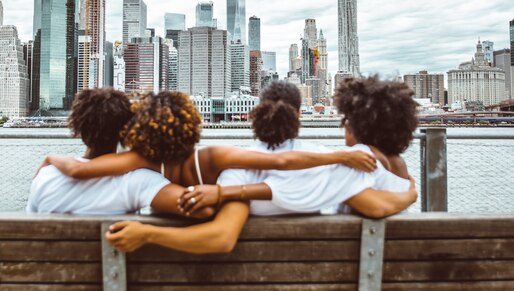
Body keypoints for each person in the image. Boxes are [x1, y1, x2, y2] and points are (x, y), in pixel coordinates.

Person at [105, 79, 418, 253]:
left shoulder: (235, 170)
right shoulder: (328, 162)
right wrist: (410, 194)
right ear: (297, 116)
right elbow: (372, 204)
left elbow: (222, 234)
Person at [28, 88, 373, 218]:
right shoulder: (210, 158)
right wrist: (338, 157)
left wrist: (50, 160)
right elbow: (280, 160)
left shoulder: (138, 164)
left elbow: (79, 171)